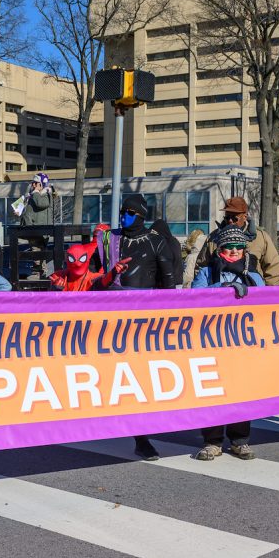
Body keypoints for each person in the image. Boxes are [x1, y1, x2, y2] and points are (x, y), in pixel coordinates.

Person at [96, 194, 177, 460]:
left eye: (130, 213)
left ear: (141, 215)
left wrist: (169, 321)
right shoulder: (108, 240)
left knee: (141, 380)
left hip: (145, 322)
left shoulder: (156, 241)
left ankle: (142, 437)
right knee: (113, 377)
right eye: (122, 212)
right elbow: (94, 278)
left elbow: (169, 286)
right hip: (110, 319)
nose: (123, 217)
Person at [191, 226, 265, 460]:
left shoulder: (253, 275)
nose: (234, 251)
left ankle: (239, 440)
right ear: (220, 249)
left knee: (241, 391)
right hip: (212, 340)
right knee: (213, 391)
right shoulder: (207, 272)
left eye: (239, 247)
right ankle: (212, 442)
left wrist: (249, 290)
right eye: (229, 247)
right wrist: (222, 289)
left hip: (242, 342)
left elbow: (265, 302)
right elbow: (194, 297)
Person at [194, 197, 279, 286]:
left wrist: (269, 293)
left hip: (252, 290)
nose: (230, 221)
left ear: (245, 217)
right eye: (227, 218)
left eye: (234, 218)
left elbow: (273, 270)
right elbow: (201, 267)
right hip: (218, 291)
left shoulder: (261, 238)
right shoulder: (213, 238)